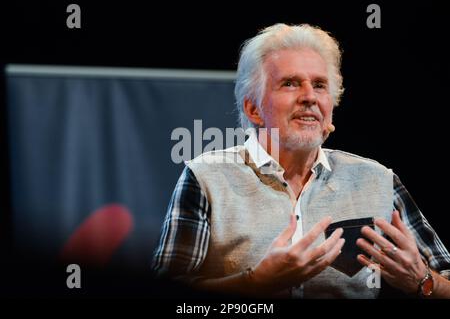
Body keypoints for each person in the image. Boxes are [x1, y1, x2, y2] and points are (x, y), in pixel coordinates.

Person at [152, 23, 450, 298]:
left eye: (320, 85)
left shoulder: (377, 180)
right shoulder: (207, 177)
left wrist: (423, 280)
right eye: (291, 83)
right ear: (253, 109)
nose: (310, 97)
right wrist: (256, 283)